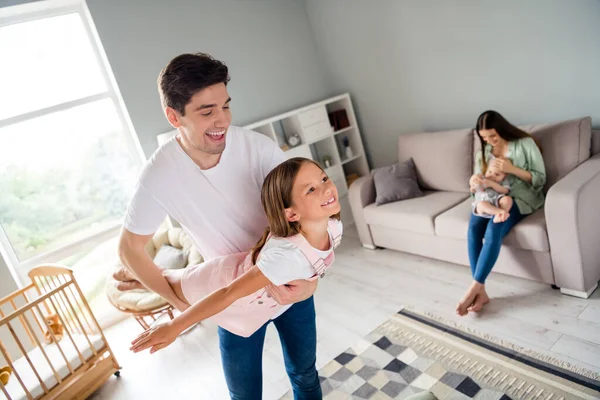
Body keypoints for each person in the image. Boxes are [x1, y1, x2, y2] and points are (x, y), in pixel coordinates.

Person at [118, 53, 323, 399]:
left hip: (289, 281)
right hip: (230, 298)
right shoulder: (161, 173)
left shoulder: (259, 148)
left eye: (226, 106)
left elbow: (308, 213)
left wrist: (312, 281)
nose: (222, 120)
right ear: (173, 116)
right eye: (207, 111)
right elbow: (128, 250)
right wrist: (181, 304)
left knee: (304, 375)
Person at [130, 157, 342, 359]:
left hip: (248, 296)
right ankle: (131, 274)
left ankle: (133, 277)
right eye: (311, 189)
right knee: (169, 279)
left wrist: (310, 285)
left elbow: (312, 264)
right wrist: (174, 327)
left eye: (323, 179)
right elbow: (227, 293)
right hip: (219, 282)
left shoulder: (334, 227)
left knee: (169, 276)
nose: (326, 188)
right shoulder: (285, 256)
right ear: (291, 214)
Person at [458, 110, 546, 316]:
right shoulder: (484, 152)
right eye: (484, 138)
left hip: (520, 198)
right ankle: (482, 292)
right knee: (473, 230)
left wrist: (511, 168)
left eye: (493, 137)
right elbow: (478, 188)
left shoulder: (525, 143)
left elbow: (540, 179)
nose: (489, 141)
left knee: (494, 227)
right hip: (489, 198)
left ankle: (474, 287)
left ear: (503, 130)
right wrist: (473, 183)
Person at [470, 157, 511, 223]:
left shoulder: (503, 181)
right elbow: (473, 190)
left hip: (496, 201)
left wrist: (492, 184)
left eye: (497, 174)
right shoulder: (482, 179)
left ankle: (499, 217)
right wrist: (474, 186)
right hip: (482, 204)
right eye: (490, 171)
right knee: (482, 205)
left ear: (504, 176)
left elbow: (506, 191)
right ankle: (501, 212)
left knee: (508, 199)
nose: (492, 175)